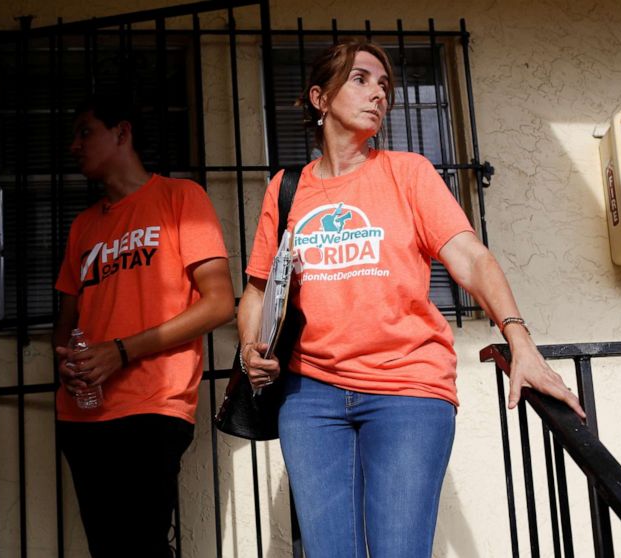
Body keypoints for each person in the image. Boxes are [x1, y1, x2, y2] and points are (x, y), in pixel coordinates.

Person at [237, 40, 586, 558]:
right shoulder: (287, 188)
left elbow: (471, 258)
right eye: (360, 79)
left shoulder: (409, 173)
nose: (378, 92)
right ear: (319, 97)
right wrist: (250, 348)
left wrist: (521, 341)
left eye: (385, 85)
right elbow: (258, 289)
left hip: (406, 390)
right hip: (309, 397)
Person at [53, 97, 234, 557]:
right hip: (83, 415)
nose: (74, 145)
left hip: (152, 407)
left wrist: (122, 350)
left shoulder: (180, 198)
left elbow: (219, 304)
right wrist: (67, 363)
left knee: (141, 546)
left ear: (122, 132)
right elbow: (67, 321)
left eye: (84, 131)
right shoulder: (82, 227)